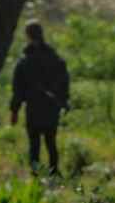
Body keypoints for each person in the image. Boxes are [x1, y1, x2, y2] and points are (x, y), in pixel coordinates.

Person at [9, 20, 70, 174]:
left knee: (34, 143)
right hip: (51, 105)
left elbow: (18, 89)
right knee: (51, 141)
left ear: (28, 36)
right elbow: (64, 82)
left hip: (33, 107)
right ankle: (54, 171)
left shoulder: (25, 61)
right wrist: (63, 102)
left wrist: (14, 110)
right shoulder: (55, 58)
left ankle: (35, 173)